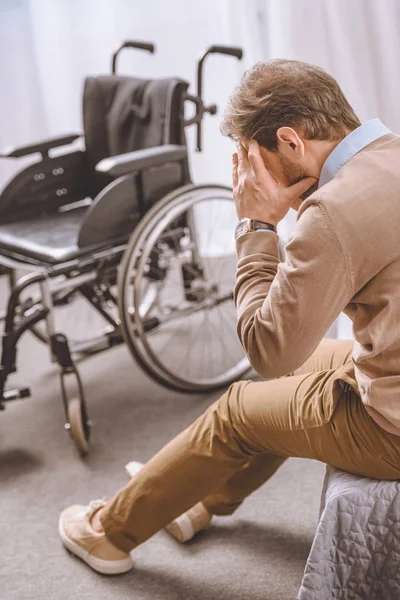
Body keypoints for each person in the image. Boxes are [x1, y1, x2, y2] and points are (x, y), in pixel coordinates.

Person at [58, 59, 400, 575]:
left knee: (238, 409)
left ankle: (108, 532)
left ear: (290, 141)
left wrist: (255, 225)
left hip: (392, 424)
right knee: (302, 369)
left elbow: (268, 351)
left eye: (249, 159)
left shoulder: (333, 211)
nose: (245, 175)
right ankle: (198, 502)